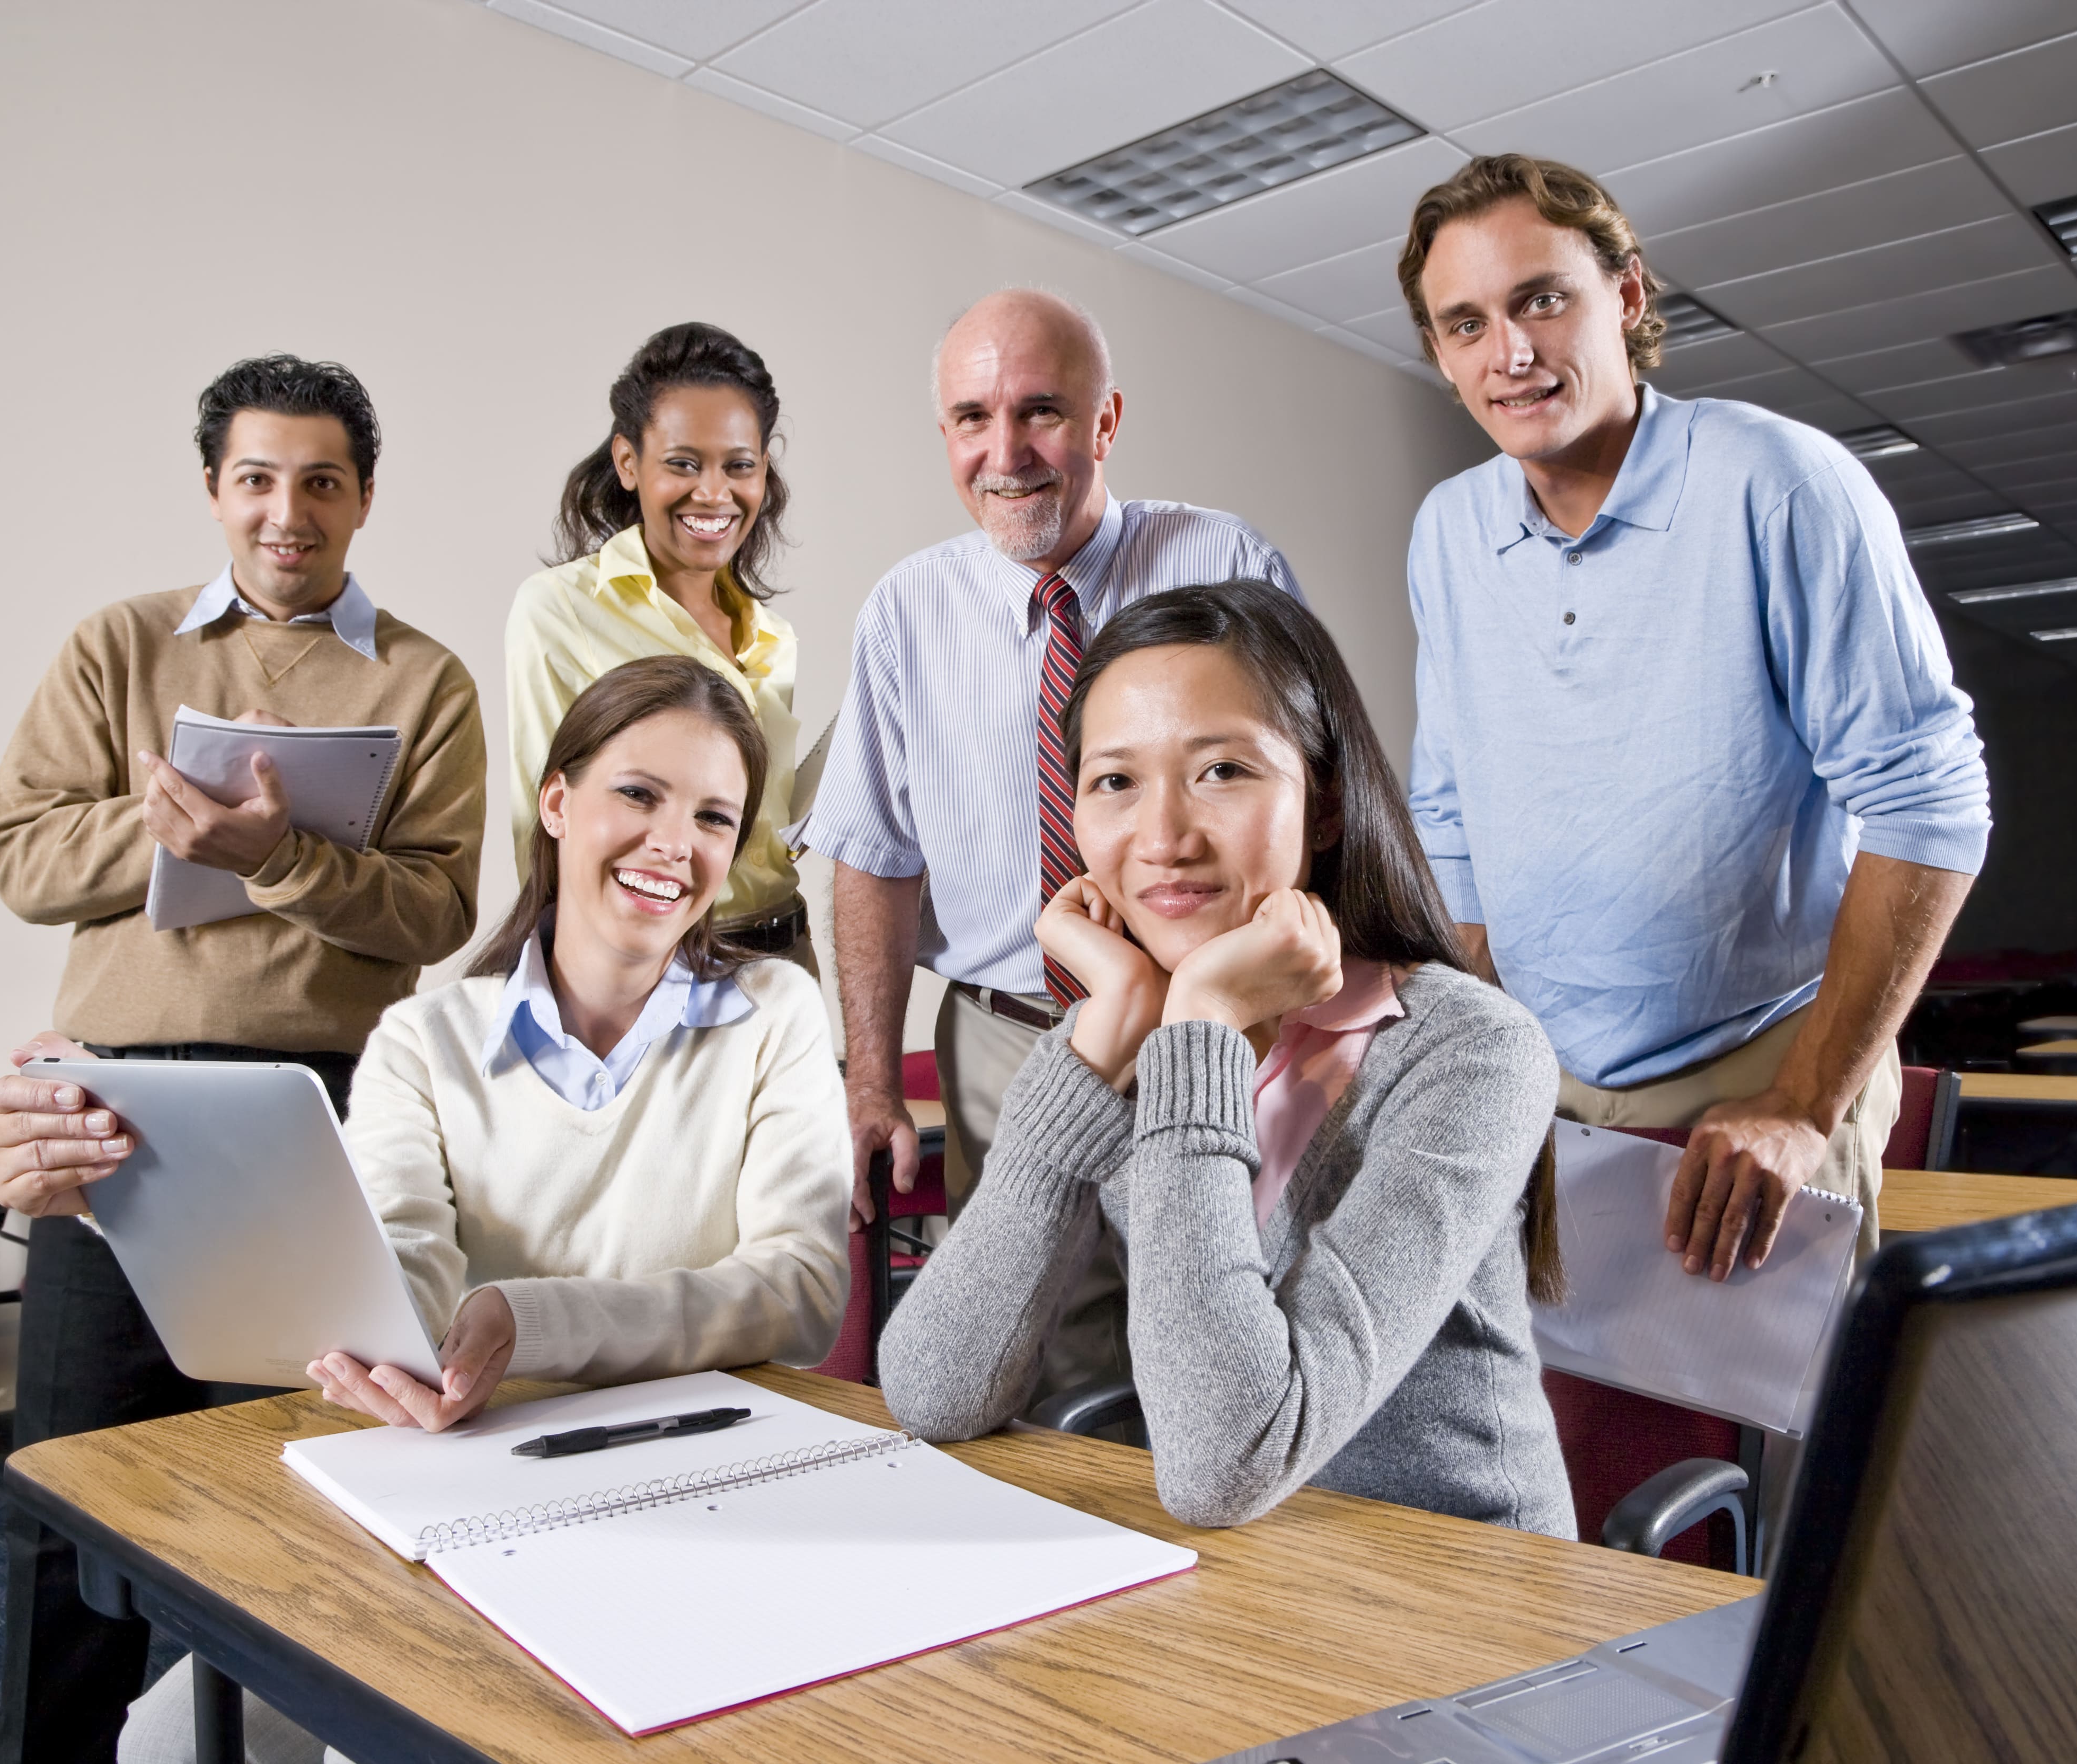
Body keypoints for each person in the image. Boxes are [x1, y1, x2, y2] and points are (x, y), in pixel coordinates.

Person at [0, 656, 853, 1764]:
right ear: (556, 802)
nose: (675, 843)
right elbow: (395, 1271)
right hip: (463, 1504)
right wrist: (126, 1184)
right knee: (161, 1749)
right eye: (639, 793)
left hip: (694, 1490)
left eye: (714, 815)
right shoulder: (424, 1039)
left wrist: (527, 1320)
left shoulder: (774, 1012)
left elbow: (802, 1292)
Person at [0, 355, 486, 1764]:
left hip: (318, 1108)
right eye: (257, 480)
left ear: (364, 498)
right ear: (214, 492)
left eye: (322, 481)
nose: (288, 512)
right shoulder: (117, 645)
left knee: (301, 1483)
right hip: (114, 1104)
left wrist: (280, 861)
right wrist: (169, 832)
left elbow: (435, 913)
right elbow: (21, 856)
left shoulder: (425, 680)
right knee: (72, 1474)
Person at [1397, 154, 1990, 1277]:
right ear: (1440, 352)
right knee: (1567, 1439)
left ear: (1625, 296)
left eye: (1541, 299)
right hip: (1545, 1081)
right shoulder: (1446, 528)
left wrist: (1806, 1101)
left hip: (1761, 1076)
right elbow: (1448, 808)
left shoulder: (1779, 481)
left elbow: (1932, 797)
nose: (1509, 353)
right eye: (1465, 323)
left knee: (1770, 1450)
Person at [879, 582, 1572, 1538]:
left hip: (1463, 1605)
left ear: (1323, 804)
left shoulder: (1471, 1051)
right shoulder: (1123, 1034)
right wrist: (1105, 1031)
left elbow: (1222, 1461)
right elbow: (932, 1388)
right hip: (1241, 1586)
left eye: (1222, 771)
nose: (1163, 839)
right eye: (1114, 781)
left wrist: (1199, 1022)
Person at [804, 287, 1305, 1404]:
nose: (1006, 451)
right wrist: (872, 1082)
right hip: (1008, 1043)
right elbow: (875, 857)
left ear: (1105, 423)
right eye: (972, 418)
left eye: (1040, 412)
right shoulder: (906, 611)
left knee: (1227, 1342)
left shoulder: (1223, 562)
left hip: (1206, 1023)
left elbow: (1315, 809)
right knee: (1039, 1372)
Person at [503, 322, 815, 967]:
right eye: (682, 464)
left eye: (740, 466)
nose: (714, 493)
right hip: (655, 964)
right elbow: (543, 835)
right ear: (627, 463)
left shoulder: (773, 638)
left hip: (786, 956)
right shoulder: (562, 609)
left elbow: (764, 833)